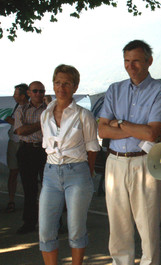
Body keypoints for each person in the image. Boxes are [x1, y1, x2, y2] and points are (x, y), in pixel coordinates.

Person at [98, 40, 161, 265]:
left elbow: (152, 134)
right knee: (118, 226)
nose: (131, 66)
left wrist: (119, 123)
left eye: (136, 61)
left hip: (145, 164)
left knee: (148, 226)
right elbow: (102, 129)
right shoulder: (114, 89)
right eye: (127, 61)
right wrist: (134, 129)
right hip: (114, 162)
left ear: (149, 62)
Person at [39, 64, 100, 265]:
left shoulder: (84, 115)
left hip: (78, 173)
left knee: (76, 229)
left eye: (66, 83)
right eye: (57, 82)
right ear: (53, 84)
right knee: (46, 230)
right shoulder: (45, 114)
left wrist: (87, 173)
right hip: (50, 174)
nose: (61, 87)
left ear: (75, 87)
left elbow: (92, 148)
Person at [14, 80, 48, 234]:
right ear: (28, 93)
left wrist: (32, 126)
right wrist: (42, 123)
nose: (39, 94)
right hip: (27, 151)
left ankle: (55, 222)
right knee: (30, 189)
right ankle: (29, 222)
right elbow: (20, 131)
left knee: (50, 189)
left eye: (41, 91)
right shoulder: (21, 110)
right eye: (35, 91)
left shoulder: (49, 109)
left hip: (45, 151)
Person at [4, 83, 29, 213]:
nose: (14, 96)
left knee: (29, 174)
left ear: (23, 95)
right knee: (13, 172)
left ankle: (30, 201)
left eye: (16, 94)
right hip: (14, 143)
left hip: (25, 144)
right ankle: (11, 200)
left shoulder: (31, 108)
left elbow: (26, 126)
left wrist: (10, 121)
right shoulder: (16, 106)